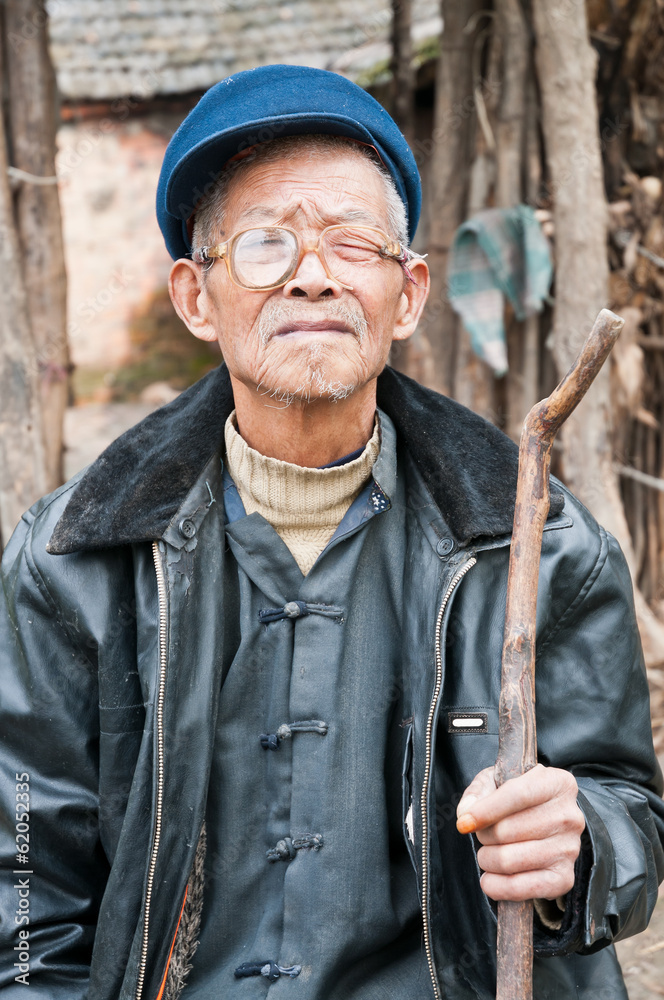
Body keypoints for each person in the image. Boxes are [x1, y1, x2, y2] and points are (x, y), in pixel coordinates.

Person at [0, 64, 662, 1000]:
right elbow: (22, 887)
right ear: (197, 297)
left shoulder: (540, 548)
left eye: (354, 245)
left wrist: (581, 839)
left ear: (410, 294)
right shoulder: (72, 565)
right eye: (266, 244)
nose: (312, 276)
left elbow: (631, 810)